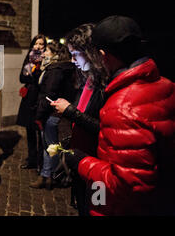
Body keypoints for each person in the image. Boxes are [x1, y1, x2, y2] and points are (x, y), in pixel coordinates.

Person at [64, 15, 175, 216]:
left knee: (92, 205)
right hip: (152, 200)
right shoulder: (165, 85)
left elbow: (126, 184)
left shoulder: (122, 104)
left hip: (114, 199)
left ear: (102, 55)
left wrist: (81, 161)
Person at [50, 23, 108, 215]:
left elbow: (105, 129)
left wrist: (70, 112)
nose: (72, 60)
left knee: (96, 208)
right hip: (82, 162)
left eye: (76, 54)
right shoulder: (87, 80)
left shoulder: (105, 86)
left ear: (90, 52)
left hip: (98, 168)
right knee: (83, 207)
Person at [30, 42, 76, 190]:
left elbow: (48, 94)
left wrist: (39, 114)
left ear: (55, 54)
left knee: (50, 146)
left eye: (47, 51)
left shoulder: (55, 69)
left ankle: (49, 176)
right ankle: (46, 176)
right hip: (55, 113)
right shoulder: (62, 67)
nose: (44, 54)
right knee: (50, 146)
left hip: (51, 114)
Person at [17, 34, 47, 170]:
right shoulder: (30, 57)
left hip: (39, 97)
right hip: (29, 97)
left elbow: (39, 78)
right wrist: (31, 76)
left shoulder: (45, 59)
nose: (38, 46)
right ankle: (31, 160)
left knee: (40, 131)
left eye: (41, 44)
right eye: (36, 43)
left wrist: (31, 76)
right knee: (29, 130)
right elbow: (21, 78)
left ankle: (41, 162)